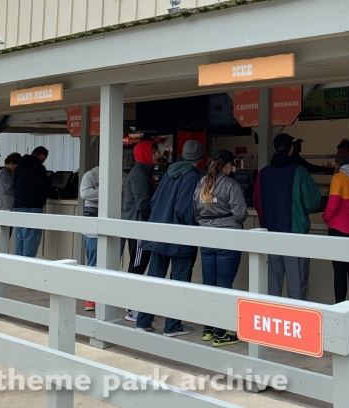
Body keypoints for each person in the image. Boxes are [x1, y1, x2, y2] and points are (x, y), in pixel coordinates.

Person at [136, 140, 203, 337]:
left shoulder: (169, 172)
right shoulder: (191, 175)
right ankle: (172, 326)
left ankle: (143, 321)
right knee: (179, 281)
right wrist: (194, 225)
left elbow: (154, 201)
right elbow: (183, 208)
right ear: (200, 159)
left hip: (158, 232)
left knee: (155, 279)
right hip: (179, 235)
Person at [252, 133, 321, 300]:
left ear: (274, 149)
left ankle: (272, 315)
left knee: (272, 285)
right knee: (297, 284)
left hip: (270, 233)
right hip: (294, 235)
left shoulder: (262, 174)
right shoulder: (299, 172)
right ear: (291, 149)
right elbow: (312, 202)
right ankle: (296, 316)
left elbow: (256, 201)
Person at [194, 149, 248, 347]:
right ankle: (222, 333)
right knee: (224, 285)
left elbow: (196, 212)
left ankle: (209, 328)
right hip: (228, 238)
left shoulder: (201, 183)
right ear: (227, 165)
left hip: (206, 238)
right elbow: (240, 213)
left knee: (210, 284)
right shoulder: (230, 185)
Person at [322, 139, 349, 303]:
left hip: (338, 229)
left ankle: (340, 306)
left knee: (339, 271)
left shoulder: (338, 178)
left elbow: (333, 205)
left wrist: (325, 217)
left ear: (339, 160)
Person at [121, 141, 159, 322]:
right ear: (145, 153)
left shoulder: (142, 172)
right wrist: (157, 217)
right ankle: (131, 308)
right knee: (137, 266)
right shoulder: (139, 174)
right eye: (154, 152)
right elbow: (143, 204)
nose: (157, 155)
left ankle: (132, 306)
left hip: (138, 225)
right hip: (139, 227)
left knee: (138, 264)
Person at [13, 146, 51, 258]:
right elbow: (43, 185)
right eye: (44, 158)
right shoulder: (37, 166)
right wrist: (55, 194)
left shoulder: (20, 166)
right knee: (31, 236)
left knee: (20, 236)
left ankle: (19, 261)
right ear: (41, 156)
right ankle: (28, 262)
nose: (44, 161)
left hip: (18, 204)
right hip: (32, 205)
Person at [79, 166, 101, 311]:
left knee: (112, 263)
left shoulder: (123, 176)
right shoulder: (90, 175)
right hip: (92, 224)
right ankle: (91, 298)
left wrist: (97, 194)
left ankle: (105, 297)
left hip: (116, 221)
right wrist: (110, 192)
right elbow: (84, 193)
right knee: (93, 262)